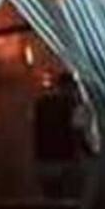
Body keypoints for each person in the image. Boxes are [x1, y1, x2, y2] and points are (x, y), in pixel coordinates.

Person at [34, 72, 92, 200]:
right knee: (69, 201)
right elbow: (78, 131)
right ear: (71, 87)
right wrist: (90, 152)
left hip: (44, 161)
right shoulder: (73, 105)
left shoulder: (41, 103)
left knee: (50, 200)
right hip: (66, 162)